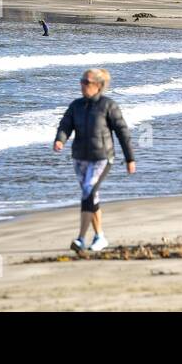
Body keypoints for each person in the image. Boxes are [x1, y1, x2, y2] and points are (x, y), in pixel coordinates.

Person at [53, 68, 135, 252]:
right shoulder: (76, 106)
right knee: (91, 195)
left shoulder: (108, 106)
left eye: (86, 82)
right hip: (80, 158)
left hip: (102, 157)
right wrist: (60, 140)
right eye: (81, 81)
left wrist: (130, 158)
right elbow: (65, 125)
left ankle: (81, 239)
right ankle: (100, 237)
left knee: (88, 192)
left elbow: (123, 132)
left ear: (97, 86)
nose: (82, 85)